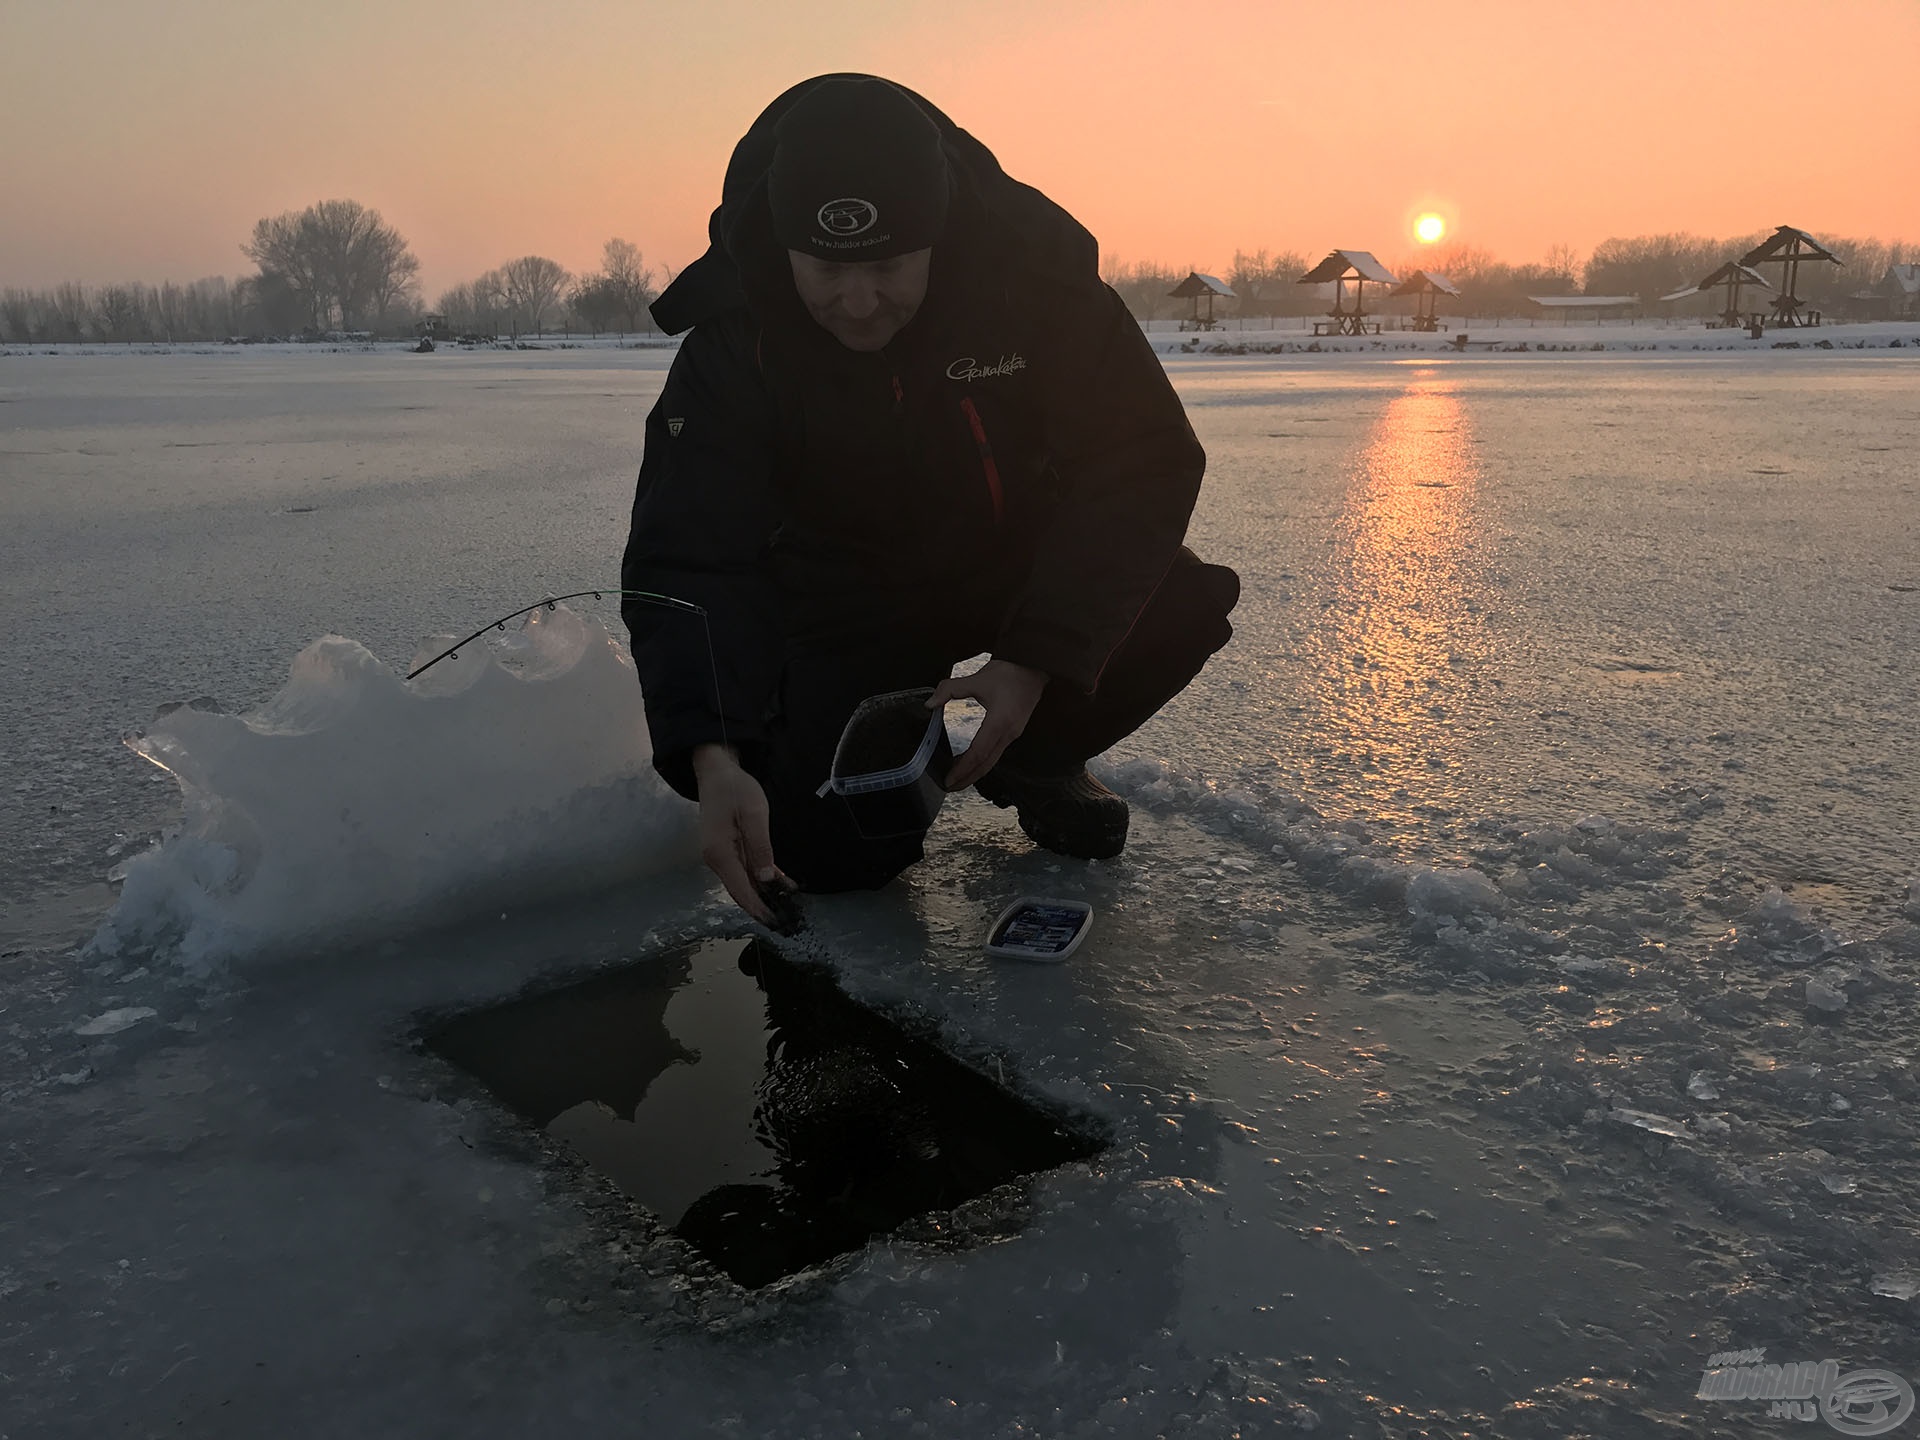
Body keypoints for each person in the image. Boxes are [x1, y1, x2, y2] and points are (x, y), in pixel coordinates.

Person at [621, 74, 1238, 926]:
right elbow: (693, 552)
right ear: (783, 245)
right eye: (829, 269)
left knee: (1180, 607)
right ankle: (893, 758)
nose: (860, 300)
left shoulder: (1034, 287)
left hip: (1011, 569)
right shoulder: (735, 339)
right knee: (821, 857)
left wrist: (1033, 661)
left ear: (938, 237)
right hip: (843, 602)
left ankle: (1034, 755)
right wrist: (713, 753)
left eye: (887, 265)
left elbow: (1147, 458)